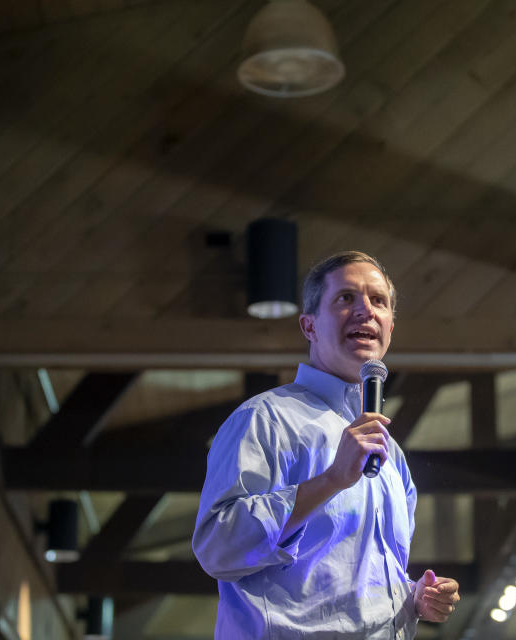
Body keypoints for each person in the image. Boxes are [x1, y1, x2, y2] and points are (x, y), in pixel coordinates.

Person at [193, 251, 461, 639]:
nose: (365, 311)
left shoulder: (391, 456)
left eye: (378, 301)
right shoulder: (265, 419)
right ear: (309, 326)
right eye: (345, 298)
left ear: (389, 327)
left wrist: (413, 596)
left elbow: (352, 581)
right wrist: (331, 479)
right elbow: (217, 547)